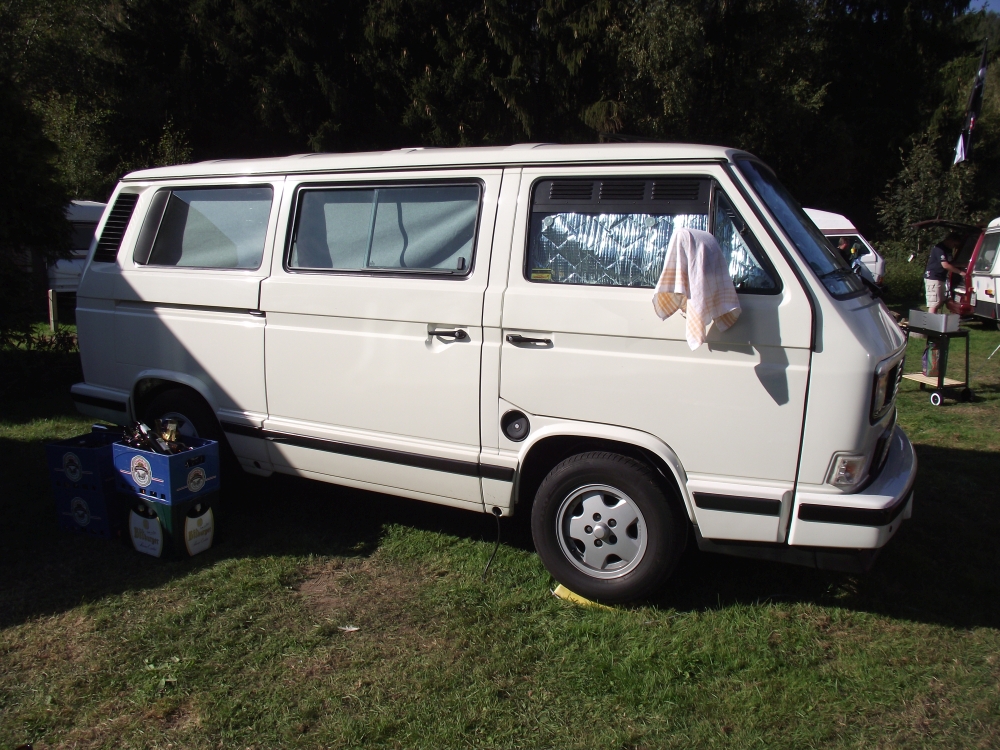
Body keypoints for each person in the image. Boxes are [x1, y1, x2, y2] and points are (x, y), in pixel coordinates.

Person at [924, 232, 965, 314]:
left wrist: (963, 265)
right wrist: (960, 272)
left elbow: (950, 263)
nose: (954, 247)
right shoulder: (939, 248)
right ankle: (930, 320)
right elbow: (945, 265)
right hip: (933, 277)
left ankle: (935, 319)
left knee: (939, 302)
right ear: (950, 240)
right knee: (934, 303)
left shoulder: (948, 250)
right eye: (954, 244)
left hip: (941, 277)